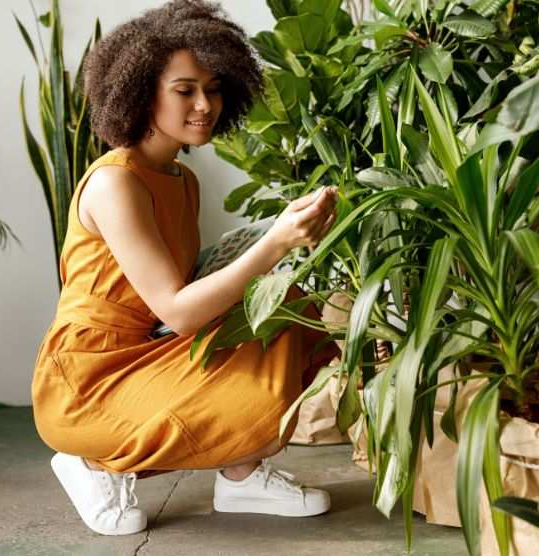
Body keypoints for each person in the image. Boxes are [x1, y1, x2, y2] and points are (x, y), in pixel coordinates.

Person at [31, 0, 341, 536]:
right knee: (266, 335)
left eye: (215, 88)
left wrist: (278, 251)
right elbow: (178, 310)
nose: (206, 104)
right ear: (140, 91)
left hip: (152, 349)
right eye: (185, 90)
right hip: (90, 380)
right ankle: (90, 460)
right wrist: (273, 242)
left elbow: (178, 303)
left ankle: (241, 476)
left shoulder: (181, 178)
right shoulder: (116, 183)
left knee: (291, 313)